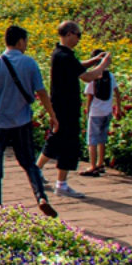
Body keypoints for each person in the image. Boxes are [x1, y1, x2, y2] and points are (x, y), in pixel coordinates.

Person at [0, 25, 59, 218]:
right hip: (22, 121)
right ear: (20, 41)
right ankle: (40, 197)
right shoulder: (29, 63)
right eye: (25, 41)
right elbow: (42, 92)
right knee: (29, 162)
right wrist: (52, 115)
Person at [35, 21, 110, 198]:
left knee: (55, 140)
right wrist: (103, 65)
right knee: (68, 144)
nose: (79, 39)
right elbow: (87, 77)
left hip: (59, 105)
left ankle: (36, 172)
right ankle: (61, 183)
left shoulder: (60, 53)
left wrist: (93, 61)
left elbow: (77, 67)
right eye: (78, 35)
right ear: (69, 34)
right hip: (67, 106)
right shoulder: (66, 56)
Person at [80, 48, 120, 178]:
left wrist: (87, 113)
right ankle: (101, 162)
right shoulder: (111, 76)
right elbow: (117, 92)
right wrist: (118, 108)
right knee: (102, 138)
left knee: (92, 139)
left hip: (95, 112)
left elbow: (89, 97)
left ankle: (92, 165)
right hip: (107, 111)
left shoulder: (93, 76)